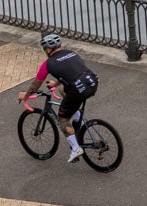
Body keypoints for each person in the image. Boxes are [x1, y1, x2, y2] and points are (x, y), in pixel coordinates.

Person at [18, 33, 99, 162]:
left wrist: (25, 95)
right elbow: (71, 73)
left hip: (77, 90)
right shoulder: (71, 53)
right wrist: (55, 84)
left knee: (62, 119)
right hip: (92, 82)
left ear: (48, 49)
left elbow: (35, 85)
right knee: (62, 89)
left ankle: (76, 148)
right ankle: (77, 116)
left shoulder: (48, 64)